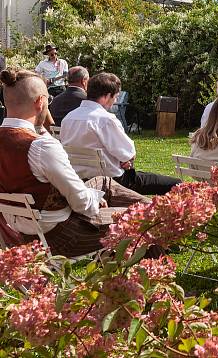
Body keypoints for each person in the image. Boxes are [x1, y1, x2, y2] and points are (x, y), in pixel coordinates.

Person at [0, 69, 149, 257]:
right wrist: (95, 200)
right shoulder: (41, 147)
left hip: (23, 231)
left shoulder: (26, 141)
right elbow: (82, 204)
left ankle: (153, 206)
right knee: (144, 218)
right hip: (62, 237)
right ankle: (158, 235)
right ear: (40, 102)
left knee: (104, 181)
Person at [60, 72, 181, 196]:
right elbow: (128, 153)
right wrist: (124, 160)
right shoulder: (105, 120)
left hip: (79, 181)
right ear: (107, 96)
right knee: (177, 184)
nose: (115, 101)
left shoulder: (69, 118)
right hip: (112, 183)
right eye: (115, 97)